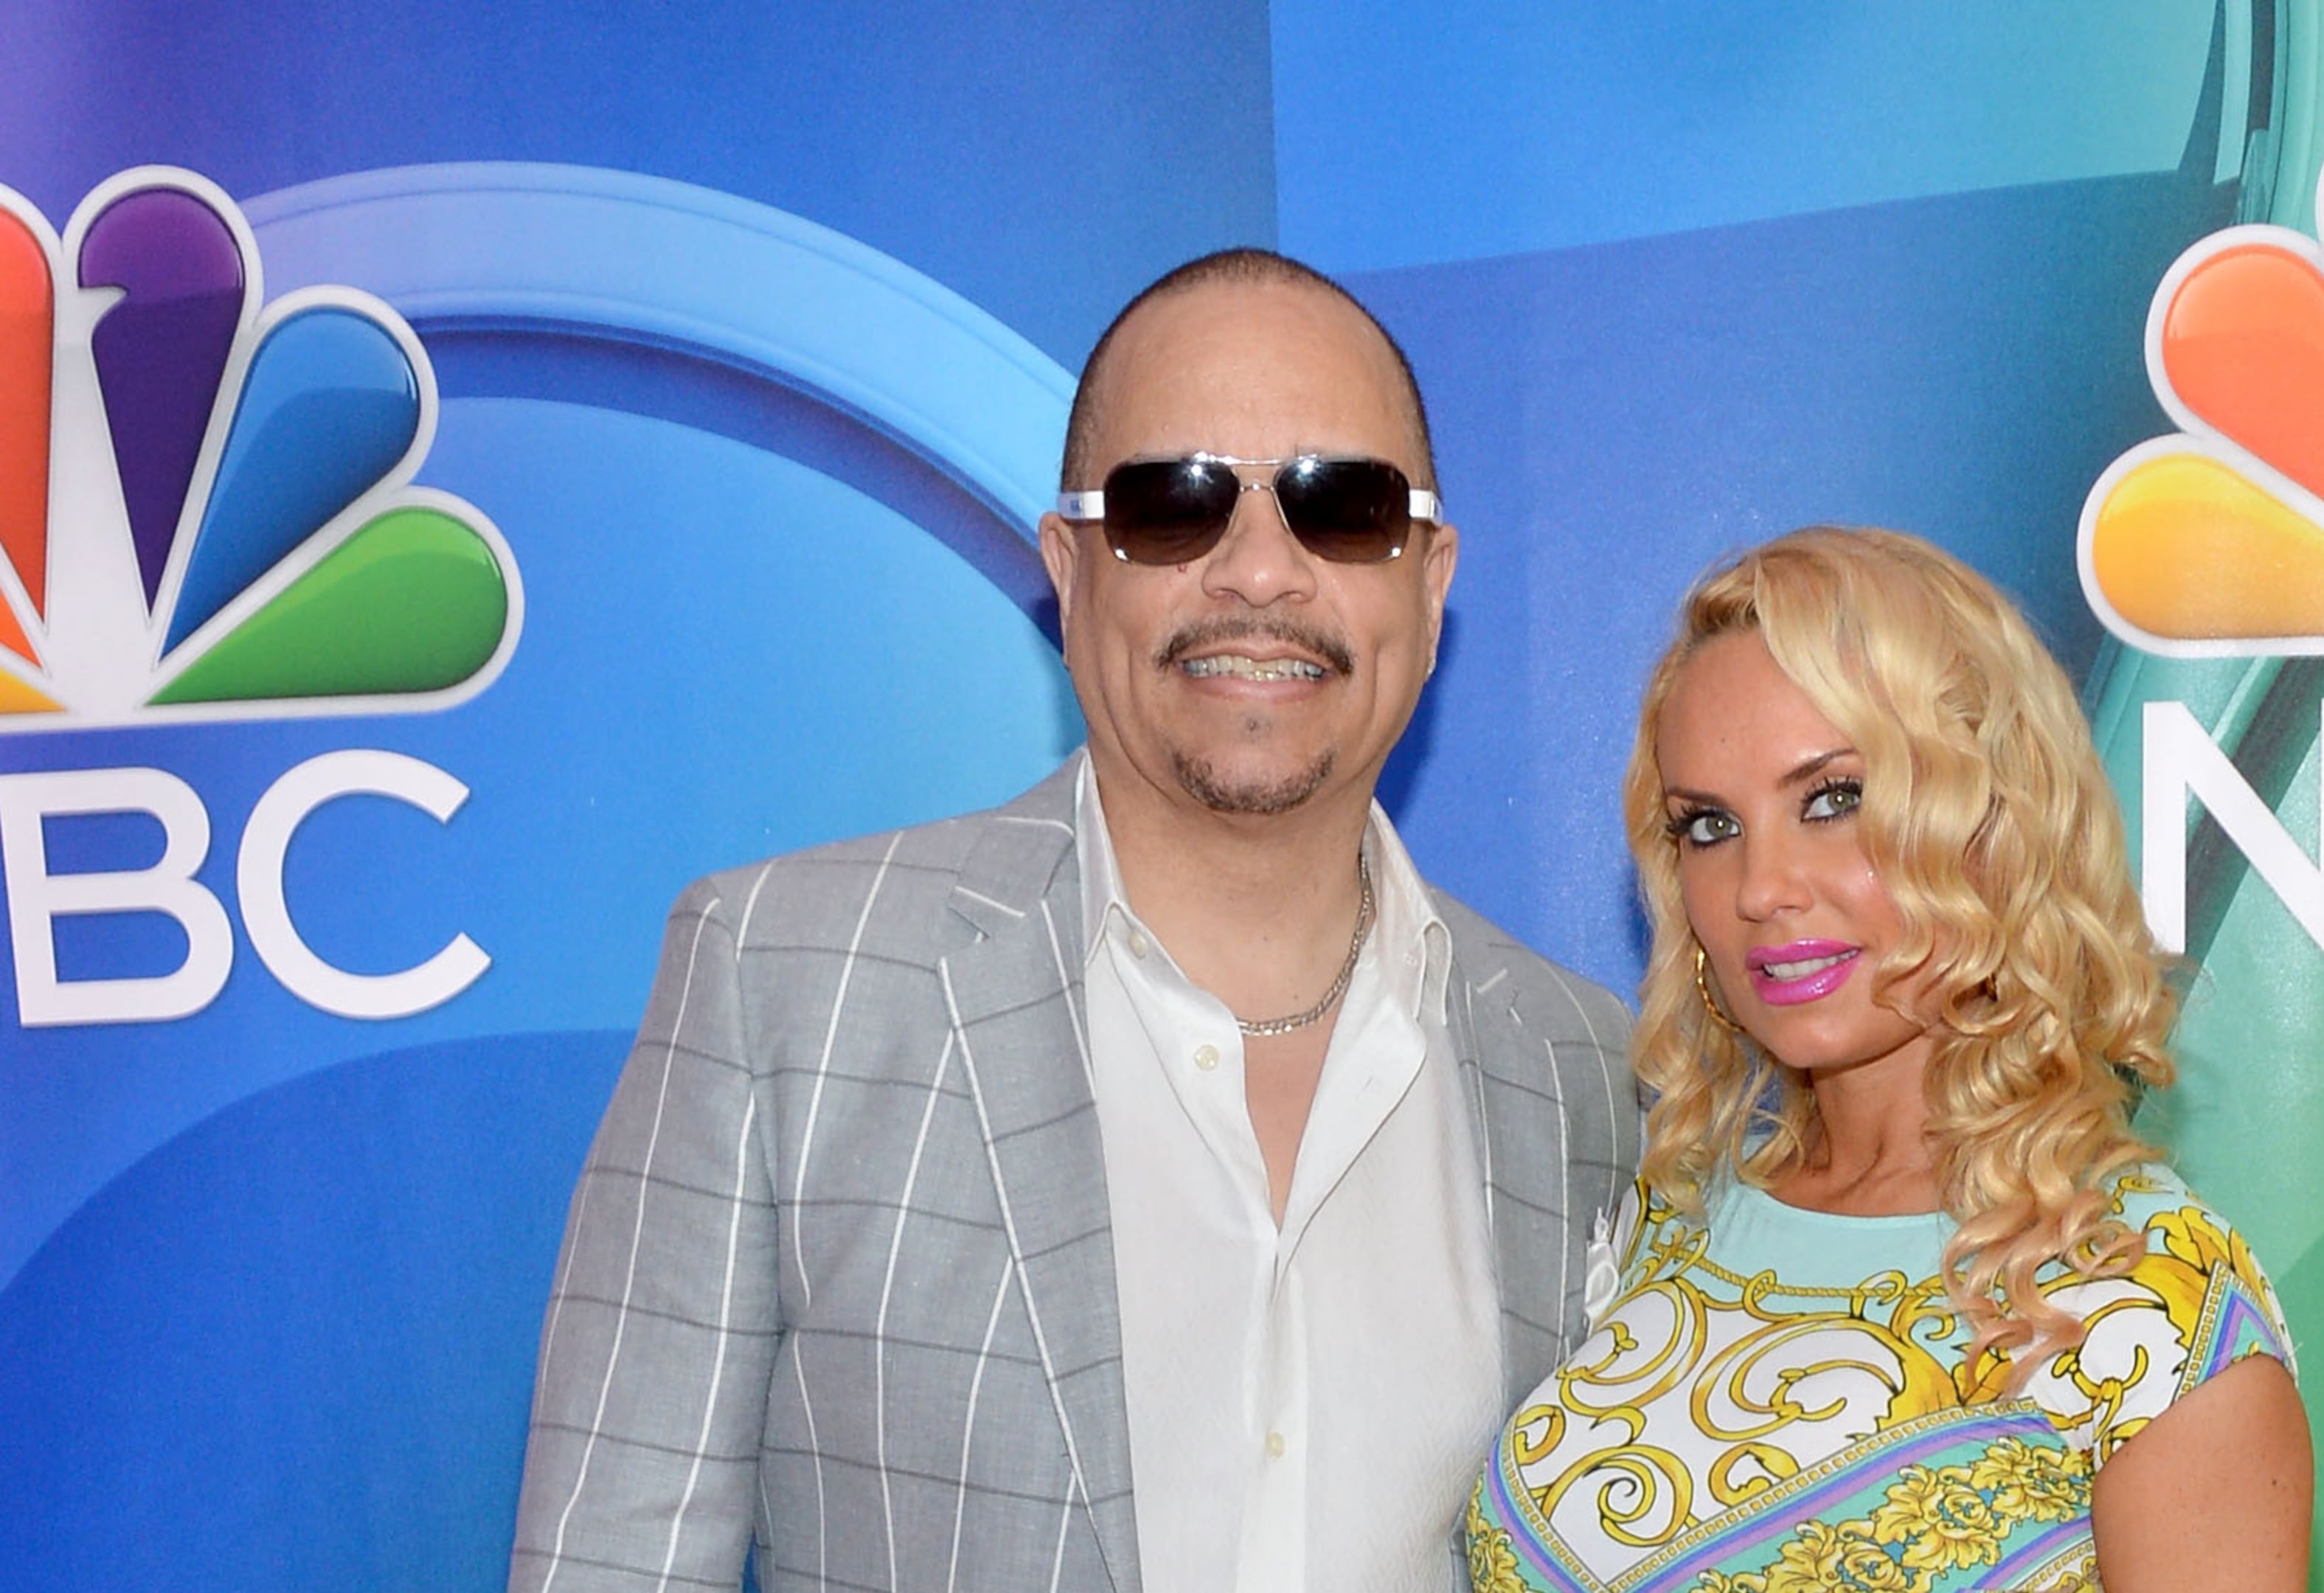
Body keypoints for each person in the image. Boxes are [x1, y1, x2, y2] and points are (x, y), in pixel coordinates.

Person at [508, 249, 1639, 1593]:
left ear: (1430, 577)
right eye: (1175, 504)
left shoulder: (1582, 1069)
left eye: (1342, 507)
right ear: (1070, 568)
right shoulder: (782, 990)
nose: (1261, 573)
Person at [1465, 527, 2311, 1593]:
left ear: (1994, 819)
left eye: (1834, 800)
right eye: (1711, 826)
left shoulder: (2154, 1304)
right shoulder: (1662, 1223)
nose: (1763, 885)